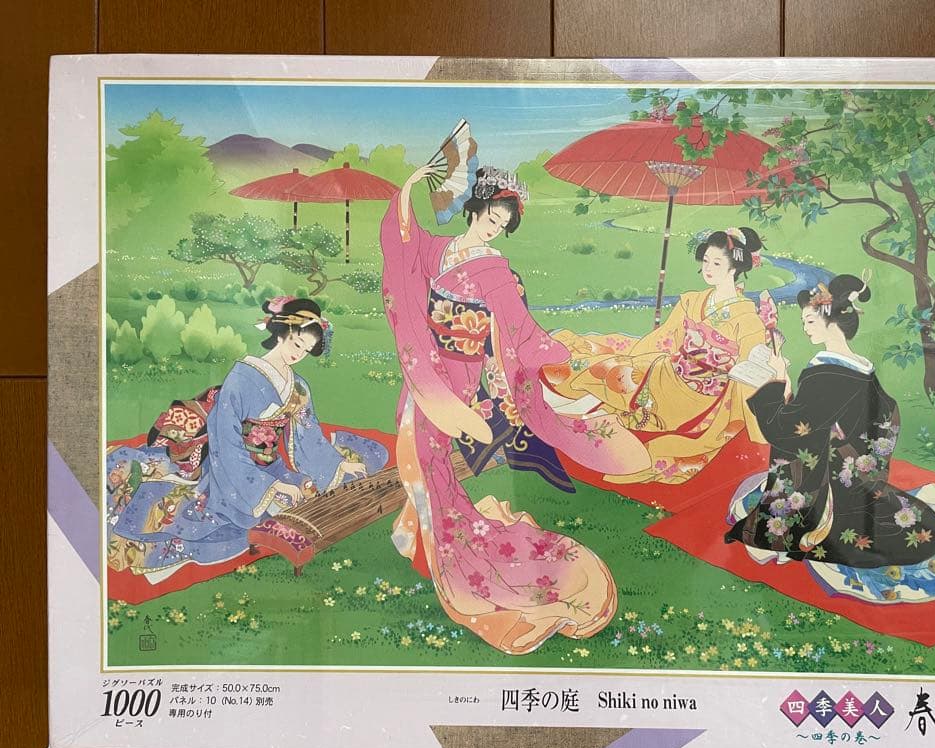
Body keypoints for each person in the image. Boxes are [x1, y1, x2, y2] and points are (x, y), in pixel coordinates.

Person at [381, 163, 650, 654]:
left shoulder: (495, 271)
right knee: (414, 455)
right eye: (492, 217)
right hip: (423, 367)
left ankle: (439, 548)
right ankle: (411, 526)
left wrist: (564, 355)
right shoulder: (440, 250)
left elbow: (522, 334)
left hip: (457, 374)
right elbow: (402, 247)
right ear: (475, 208)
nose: (495, 228)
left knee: (424, 457)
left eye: (503, 224)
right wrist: (412, 184)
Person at [724, 274, 935, 602]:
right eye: (803, 322)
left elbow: (788, 430)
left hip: (837, 488)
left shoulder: (827, 374)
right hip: (857, 469)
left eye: (809, 320)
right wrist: (789, 390)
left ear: (831, 321)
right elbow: (818, 420)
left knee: (784, 493)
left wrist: (775, 384)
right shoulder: (860, 367)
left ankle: (807, 523)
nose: (805, 328)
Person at [106, 298, 372, 580]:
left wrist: (338, 464)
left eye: (306, 350)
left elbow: (309, 435)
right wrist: (267, 486)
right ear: (282, 333)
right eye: (297, 344)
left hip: (270, 467)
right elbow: (226, 443)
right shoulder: (241, 378)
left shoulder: (298, 387)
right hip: (232, 469)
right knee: (222, 529)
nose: (299, 354)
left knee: (307, 493)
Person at [544, 227, 773, 485]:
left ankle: (580, 405)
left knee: (619, 377)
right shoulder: (693, 301)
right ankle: (568, 394)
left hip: (698, 397)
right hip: (666, 370)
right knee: (615, 366)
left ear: (734, 268)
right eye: (706, 260)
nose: (708, 268)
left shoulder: (747, 319)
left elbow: (749, 371)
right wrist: (633, 357)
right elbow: (663, 338)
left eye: (717, 263)